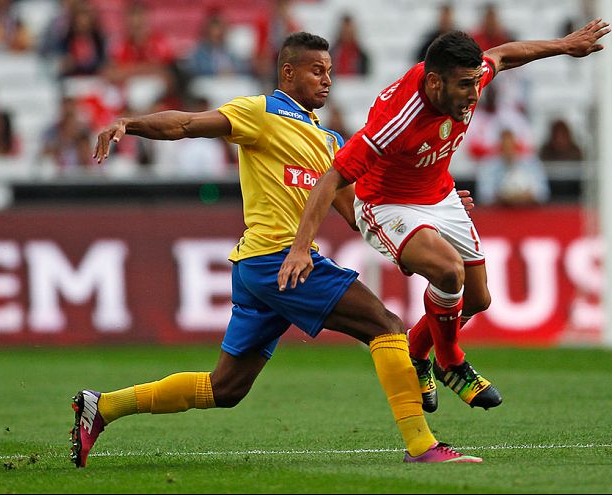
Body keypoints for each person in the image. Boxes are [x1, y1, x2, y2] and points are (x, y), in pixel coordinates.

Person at [70, 32, 481, 468]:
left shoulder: (329, 143)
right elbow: (187, 125)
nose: (327, 81)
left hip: (262, 269)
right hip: (277, 259)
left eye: (330, 72)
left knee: (223, 389)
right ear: (288, 72)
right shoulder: (262, 112)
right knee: (386, 326)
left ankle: (103, 406)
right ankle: (422, 445)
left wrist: (426, 210)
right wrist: (128, 125)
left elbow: (362, 212)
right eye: (316, 71)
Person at [279, 22, 610, 413]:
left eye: (475, 83)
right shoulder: (395, 120)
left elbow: (501, 55)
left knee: (477, 297)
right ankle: (451, 361)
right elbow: (331, 178)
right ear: (434, 83)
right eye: (464, 86)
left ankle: (418, 354)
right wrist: (300, 248)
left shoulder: (468, 77)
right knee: (449, 271)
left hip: (439, 194)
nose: (473, 95)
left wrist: (564, 45)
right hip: (386, 204)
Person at [476, 128, 549, 207]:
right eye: (505, 146)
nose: (508, 150)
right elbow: (484, 196)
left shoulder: (531, 164)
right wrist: (504, 197)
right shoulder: (488, 165)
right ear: (500, 147)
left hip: (528, 212)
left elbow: (543, 193)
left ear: (516, 145)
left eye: (511, 145)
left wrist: (523, 197)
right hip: (499, 214)